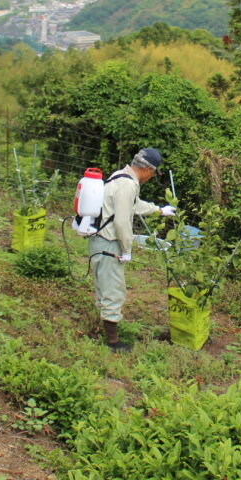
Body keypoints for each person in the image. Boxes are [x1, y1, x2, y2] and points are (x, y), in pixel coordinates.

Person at [89, 147, 176, 351]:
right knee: (114, 291)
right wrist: (126, 249)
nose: (151, 178)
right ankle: (112, 343)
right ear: (148, 170)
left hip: (98, 241)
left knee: (104, 287)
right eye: (153, 174)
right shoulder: (128, 185)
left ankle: (100, 327)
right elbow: (121, 222)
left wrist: (160, 210)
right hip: (109, 244)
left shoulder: (119, 176)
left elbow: (133, 206)